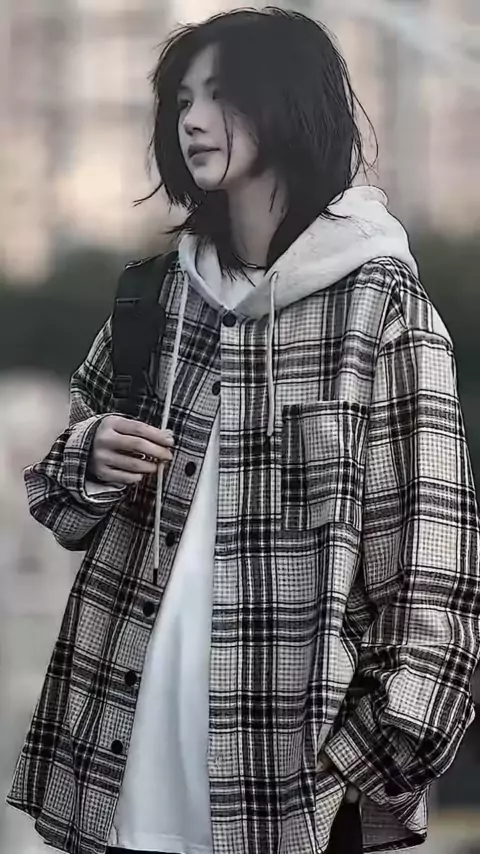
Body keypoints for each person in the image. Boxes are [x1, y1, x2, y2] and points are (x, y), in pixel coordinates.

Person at [7, 8, 480, 854]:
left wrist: (353, 768)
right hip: (119, 777)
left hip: (289, 804)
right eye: (183, 100)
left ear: (289, 104)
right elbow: (57, 500)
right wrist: (90, 454)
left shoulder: (382, 309)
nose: (192, 119)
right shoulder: (154, 297)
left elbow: (432, 585)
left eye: (222, 95)